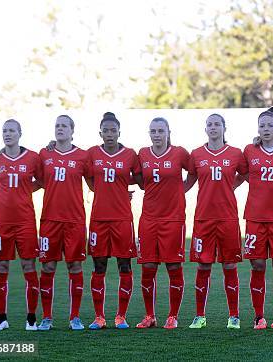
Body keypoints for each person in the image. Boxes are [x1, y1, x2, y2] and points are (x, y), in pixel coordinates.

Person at [186, 114, 248, 329]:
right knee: (203, 265)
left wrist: (233, 186)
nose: (213, 128)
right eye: (210, 125)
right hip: (203, 217)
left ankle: (234, 316)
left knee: (229, 264)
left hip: (228, 217)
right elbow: (187, 182)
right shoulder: (196, 154)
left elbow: (247, 175)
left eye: (217, 124)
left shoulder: (235, 154)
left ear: (224, 127)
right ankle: (200, 316)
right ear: (205, 129)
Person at [236, 107, 273, 329]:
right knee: (258, 264)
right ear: (257, 129)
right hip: (255, 215)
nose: (266, 129)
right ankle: (258, 316)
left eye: (270, 125)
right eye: (262, 125)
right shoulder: (249, 150)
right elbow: (243, 175)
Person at [86, 112, 141, 330]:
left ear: (119, 132)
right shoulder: (91, 153)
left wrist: (121, 192)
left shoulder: (130, 154)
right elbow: (89, 179)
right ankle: (99, 317)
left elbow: (139, 178)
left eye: (113, 130)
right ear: (100, 133)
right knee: (99, 266)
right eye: (105, 130)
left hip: (122, 218)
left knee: (124, 265)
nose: (109, 134)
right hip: (99, 218)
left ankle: (121, 316)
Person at [36, 115, 90, 331]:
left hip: (74, 220)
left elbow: (95, 183)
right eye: (57, 125)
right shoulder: (44, 154)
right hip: (50, 219)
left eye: (64, 126)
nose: (60, 129)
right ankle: (47, 317)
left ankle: (74, 317)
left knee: (74, 265)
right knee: (48, 266)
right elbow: (39, 179)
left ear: (72, 130)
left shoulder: (83, 156)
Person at [135, 117, 190, 329]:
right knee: (148, 267)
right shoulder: (142, 154)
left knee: (173, 266)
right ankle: (150, 316)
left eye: (160, 131)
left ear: (168, 132)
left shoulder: (179, 153)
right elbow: (138, 178)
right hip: (148, 218)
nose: (156, 135)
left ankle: (172, 316)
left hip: (173, 218)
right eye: (153, 131)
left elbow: (194, 171)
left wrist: (181, 190)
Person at [0, 119, 42, 331]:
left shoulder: (32, 158)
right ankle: (2, 319)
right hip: (1, 222)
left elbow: (42, 181)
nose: (7, 134)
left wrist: (24, 193)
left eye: (11, 130)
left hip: (25, 221)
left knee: (28, 266)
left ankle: (31, 319)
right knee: (1, 267)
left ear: (20, 133)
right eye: (4, 131)